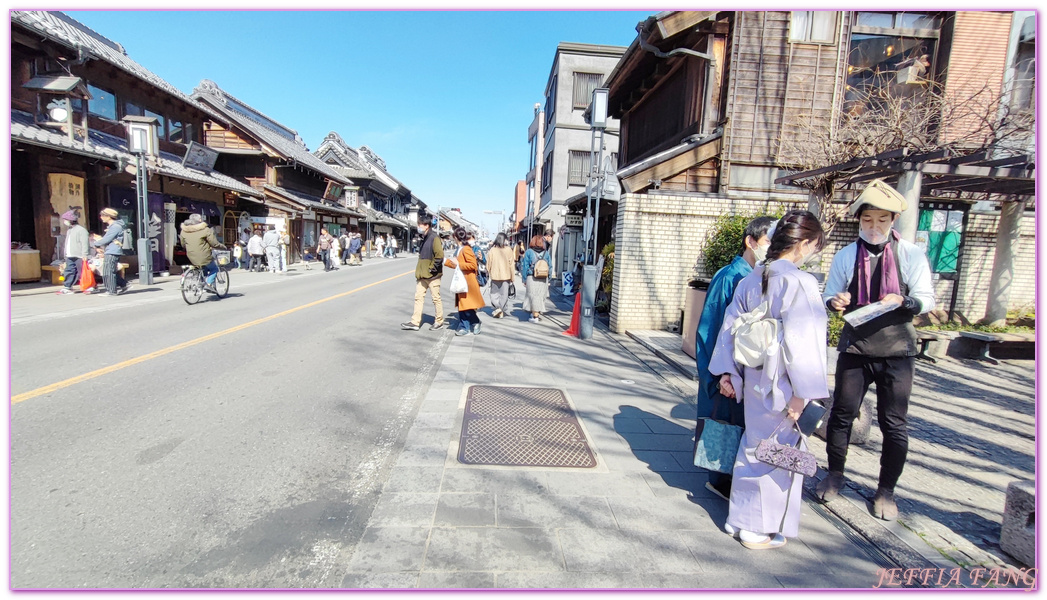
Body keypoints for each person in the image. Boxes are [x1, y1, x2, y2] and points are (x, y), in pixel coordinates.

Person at [708, 210, 829, 550]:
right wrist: (802, 393)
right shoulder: (800, 282)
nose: (812, 251)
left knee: (754, 447)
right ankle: (756, 527)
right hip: (784, 382)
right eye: (814, 245)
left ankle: (740, 518)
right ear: (803, 244)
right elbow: (805, 341)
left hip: (753, 376)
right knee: (775, 455)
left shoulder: (752, 278)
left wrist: (730, 373)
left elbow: (730, 329)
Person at [816, 179, 936, 521]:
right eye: (868, 220)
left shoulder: (910, 254)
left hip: (898, 349)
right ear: (860, 220)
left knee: (894, 422)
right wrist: (833, 300)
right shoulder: (846, 255)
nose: (874, 227)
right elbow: (830, 293)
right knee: (841, 414)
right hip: (856, 347)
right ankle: (835, 474)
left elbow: (927, 299)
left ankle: (886, 491)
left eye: (882, 220)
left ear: (892, 220)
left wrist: (905, 299)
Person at [693, 216, 777, 501]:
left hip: (740, 369)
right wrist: (720, 374)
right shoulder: (732, 277)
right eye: (767, 242)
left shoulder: (751, 276)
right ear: (750, 242)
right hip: (728, 369)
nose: (771, 249)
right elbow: (714, 329)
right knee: (725, 422)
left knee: (732, 423)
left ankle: (725, 478)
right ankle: (720, 481)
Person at [401, 215, 446, 331]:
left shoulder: (434, 237)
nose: (418, 227)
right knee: (418, 297)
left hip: (433, 275)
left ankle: (439, 321)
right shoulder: (423, 237)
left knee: (436, 298)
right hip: (422, 275)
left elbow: (439, 255)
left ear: (427, 226)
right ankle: (415, 322)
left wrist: (432, 268)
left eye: (420, 224)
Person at [445, 227, 484, 335]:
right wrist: (446, 261)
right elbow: (456, 264)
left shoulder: (466, 249)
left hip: (468, 281)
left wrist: (458, 264)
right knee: (462, 305)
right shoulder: (460, 249)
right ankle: (465, 326)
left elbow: (473, 265)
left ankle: (473, 323)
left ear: (455, 237)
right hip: (462, 280)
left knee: (466, 305)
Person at [179, 213, 227, 289]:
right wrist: (223, 247)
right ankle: (208, 283)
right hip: (204, 255)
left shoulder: (184, 231)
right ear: (200, 220)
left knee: (202, 268)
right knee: (214, 269)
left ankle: (200, 283)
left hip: (191, 256)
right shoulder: (205, 230)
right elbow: (214, 243)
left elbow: (183, 244)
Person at [91, 207, 130, 296]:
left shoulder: (115, 227)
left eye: (102, 215)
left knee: (109, 271)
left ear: (108, 216)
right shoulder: (113, 226)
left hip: (113, 251)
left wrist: (96, 243)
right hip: (111, 250)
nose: (101, 217)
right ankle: (124, 284)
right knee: (109, 270)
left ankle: (111, 291)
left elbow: (107, 239)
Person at [519, 234, 551, 323]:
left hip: (531, 277)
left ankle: (535, 316)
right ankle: (536, 313)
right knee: (540, 296)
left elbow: (524, 266)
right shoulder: (546, 253)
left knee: (532, 296)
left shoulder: (529, 252)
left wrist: (524, 279)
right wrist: (549, 278)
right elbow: (550, 266)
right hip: (543, 278)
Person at [57, 210, 89, 295]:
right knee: (69, 270)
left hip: (79, 255)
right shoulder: (69, 230)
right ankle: (68, 286)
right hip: (70, 255)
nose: (64, 221)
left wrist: (85, 254)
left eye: (65, 219)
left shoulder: (81, 230)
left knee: (82, 271)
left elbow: (84, 243)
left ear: (70, 220)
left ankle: (90, 286)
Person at [487, 233, 516, 318]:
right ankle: (501, 309)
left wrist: (488, 271)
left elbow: (489, 263)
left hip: (495, 275)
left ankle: (497, 308)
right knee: (504, 294)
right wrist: (512, 277)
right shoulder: (508, 250)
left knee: (494, 294)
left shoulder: (492, 250)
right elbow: (511, 264)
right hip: (506, 275)